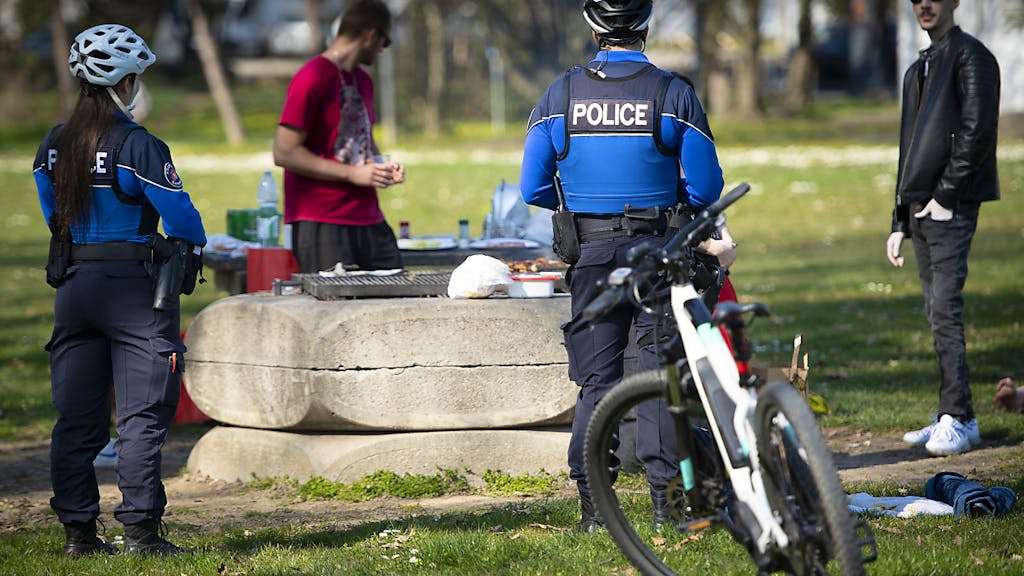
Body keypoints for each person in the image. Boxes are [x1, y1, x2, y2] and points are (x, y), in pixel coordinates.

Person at [520, 0, 735, 532]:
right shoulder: (673, 93)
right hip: (658, 253)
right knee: (659, 376)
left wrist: (583, 199)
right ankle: (666, 506)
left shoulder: (560, 95)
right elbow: (707, 188)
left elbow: (533, 187)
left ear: (593, 28)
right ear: (645, 26)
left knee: (596, 382)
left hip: (592, 258)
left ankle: (594, 508)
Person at [33, 24, 206, 555]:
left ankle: (78, 535)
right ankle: (141, 533)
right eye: (138, 77)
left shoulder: (53, 145)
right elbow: (183, 223)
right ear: (124, 82)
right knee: (141, 417)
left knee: (78, 420)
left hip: (75, 290)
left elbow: (51, 214)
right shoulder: (139, 146)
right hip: (135, 294)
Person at [887, 0, 1000, 456]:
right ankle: (955, 414)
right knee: (936, 313)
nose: (925, 5)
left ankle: (958, 417)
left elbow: (977, 130)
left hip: (949, 206)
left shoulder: (972, 57)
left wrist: (946, 196)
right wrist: (900, 217)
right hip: (921, 205)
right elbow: (906, 148)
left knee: (945, 310)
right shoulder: (919, 67)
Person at [273, 0, 405, 274]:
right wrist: (352, 174)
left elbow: (361, 138)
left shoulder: (363, 80)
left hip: (368, 216)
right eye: (385, 40)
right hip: (321, 219)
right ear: (371, 35)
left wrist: (380, 166)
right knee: (333, 309)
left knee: (397, 293)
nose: (382, 49)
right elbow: (284, 152)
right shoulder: (312, 77)